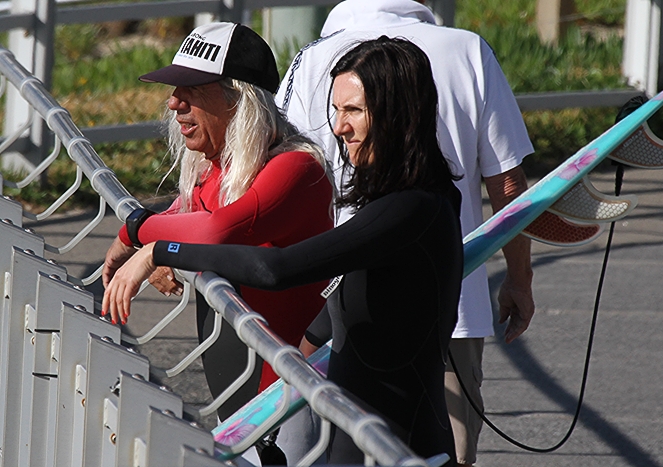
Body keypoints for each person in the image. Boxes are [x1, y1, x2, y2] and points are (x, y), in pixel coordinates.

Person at [103, 36, 463, 465]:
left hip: (400, 449)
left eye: (353, 111)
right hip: (352, 437)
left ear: (397, 115)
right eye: (335, 110)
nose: (338, 127)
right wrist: (295, 376)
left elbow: (278, 268)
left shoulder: (411, 208)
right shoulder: (398, 205)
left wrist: (160, 252)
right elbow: (344, 300)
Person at [275, 1, 535, 464]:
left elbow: (281, 175)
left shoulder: (312, 58)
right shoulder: (467, 50)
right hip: (446, 302)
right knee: (442, 449)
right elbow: (507, 183)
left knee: (339, 448)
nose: (341, 126)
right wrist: (519, 278)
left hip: (340, 304)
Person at [101, 22, 334, 421]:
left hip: (294, 400)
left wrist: (137, 233)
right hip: (244, 401)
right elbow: (181, 221)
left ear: (239, 100)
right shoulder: (215, 167)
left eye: (191, 90)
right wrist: (159, 247)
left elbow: (214, 231)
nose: (174, 103)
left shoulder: (296, 168)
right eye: (175, 90)